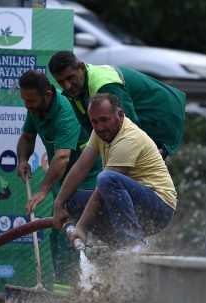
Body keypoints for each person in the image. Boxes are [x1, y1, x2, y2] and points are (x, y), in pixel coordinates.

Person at [53, 93, 176, 251]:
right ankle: (117, 243)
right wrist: (58, 204)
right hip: (131, 203)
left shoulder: (129, 138)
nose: (99, 127)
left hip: (159, 208)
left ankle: (133, 241)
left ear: (120, 115)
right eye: (94, 122)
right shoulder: (99, 133)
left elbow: (100, 192)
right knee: (72, 199)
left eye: (104, 120)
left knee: (107, 178)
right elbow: (80, 167)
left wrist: (80, 227)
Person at [16, 70, 103, 289]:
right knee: (58, 232)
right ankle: (63, 291)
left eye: (31, 100)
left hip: (85, 179)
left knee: (72, 233)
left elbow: (62, 157)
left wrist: (43, 191)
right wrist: (22, 159)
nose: (27, 106)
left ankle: (81, 291)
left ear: (47, 95)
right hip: (63, 180)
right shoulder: (35, 109)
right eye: (24, 100)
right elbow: (27, 137)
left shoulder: (66, 112)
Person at [48, 51, 186, 159]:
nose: (67, 86)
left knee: (140, 170)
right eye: (60, 82)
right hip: (144, 117)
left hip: (162, 114)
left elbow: (128, 127)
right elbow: (93, 132)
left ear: (81, 68)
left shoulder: (105, 85)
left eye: (70, 77)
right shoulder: (75, 92)